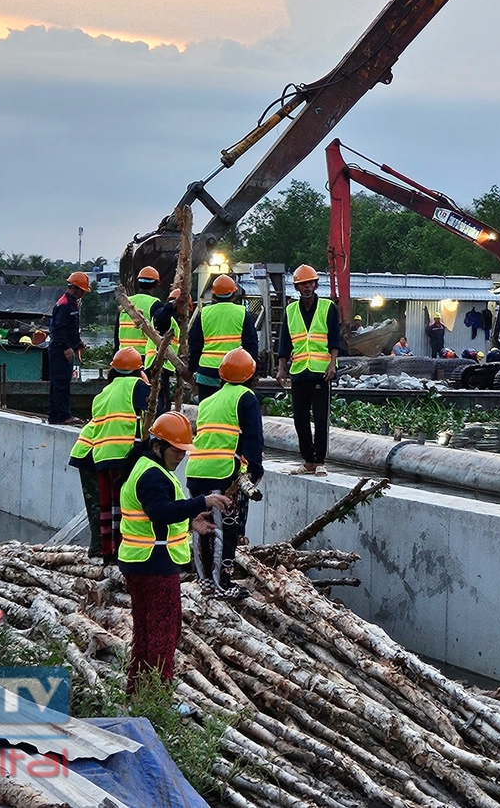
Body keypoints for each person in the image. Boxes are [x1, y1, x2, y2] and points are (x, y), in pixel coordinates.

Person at [118, 412, 233, 690]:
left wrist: (191, 523)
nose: (181, 456)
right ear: (158, 446)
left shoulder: (149, 468)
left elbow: (154, 515)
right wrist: (200, 502)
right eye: (177, 450)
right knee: (163, 634)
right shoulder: (153, 476)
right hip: (155, 565)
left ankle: (137, 692)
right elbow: (159, 512)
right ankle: (157, 697)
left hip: (142, 563)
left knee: (146, 634)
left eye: (184, 451)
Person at [187, 348, 265, 597]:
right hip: (223, 473)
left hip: (197, 470)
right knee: (225, 529)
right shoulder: (246, 397)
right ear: (251, 376)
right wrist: (254, 470)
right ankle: (223, 583)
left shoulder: (208, 400)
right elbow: (253, 437)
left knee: (202, 528)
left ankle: (206, 582)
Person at [70, 348, 150, 561]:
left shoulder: (105, 392)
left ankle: (104, 549)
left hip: (95, 452)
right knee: (108, 506)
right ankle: (103, 549)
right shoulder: (135, 387)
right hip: (96, 453)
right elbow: (153, 407)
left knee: (105, 507)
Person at [276, 264, 344, 475]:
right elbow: (285, 342)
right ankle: (308, 460)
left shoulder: (327, 308)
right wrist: (281, 367)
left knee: (321, 417)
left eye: (310, 283)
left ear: (315, 284)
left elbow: (334, 338)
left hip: (321, 371)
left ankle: (320, 460)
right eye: (303, 284)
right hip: (299, 371)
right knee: (300, 418)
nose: (307, 287)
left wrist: (333, 363)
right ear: (297, 287)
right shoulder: (290, 310)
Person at [117, 265, 181, 414]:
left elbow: (116, 332)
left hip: (122, 357)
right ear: (157, 284)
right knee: (145, 399)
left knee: (127, 397)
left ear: (138, 283)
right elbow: (158, 328)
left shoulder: (126, 304)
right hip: (144, 359)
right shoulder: (155, 304)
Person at [187, 274, 257, 398]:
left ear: (213, 295)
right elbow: (251, 345)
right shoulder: (242, 313)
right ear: (234, 294)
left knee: (207, 411)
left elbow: (195, 345)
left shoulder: (204, 313)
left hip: (207, 372)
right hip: (235, 370)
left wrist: (191, 368)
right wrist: (253, 372)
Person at [49, 271, 91, 425]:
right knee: (61, 383)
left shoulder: (71, 303)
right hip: (60, 350)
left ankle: (54, 416)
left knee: (59, 383)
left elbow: (70, 328)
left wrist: (77, 342)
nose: (83, 295)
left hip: (64, 348)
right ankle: (63, 416)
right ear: (75, 288)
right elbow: (58, 329)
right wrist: (67, 348)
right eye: (82, 291)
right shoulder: (65, 305)